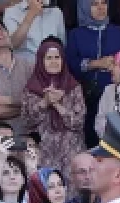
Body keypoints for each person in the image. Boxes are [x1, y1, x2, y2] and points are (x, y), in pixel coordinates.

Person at [65, 0, 120, 146]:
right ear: (85, 7)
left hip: (115, 95)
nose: (101, 8)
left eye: (104, 3)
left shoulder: (119, 33)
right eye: (94, 4)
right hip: (87, 97)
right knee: (92, 140)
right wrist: (95, 63)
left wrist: (117, 65)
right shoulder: (76, 34)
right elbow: (70, 64)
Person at [21, 37, 84, 173]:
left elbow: (79, 122)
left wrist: (57, 105)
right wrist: (44, 102)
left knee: (73, 192)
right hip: (43, 152)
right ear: (41, 61)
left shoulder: (74, 87)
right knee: (44, 189)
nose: (54, 61)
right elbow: (27, 121)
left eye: (57, 57)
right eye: (49, 58)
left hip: (71, 152)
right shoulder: (31, 89)